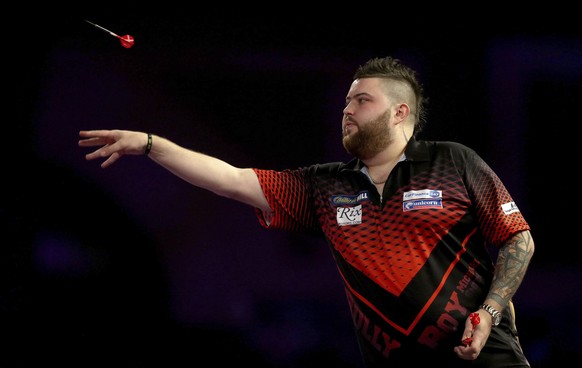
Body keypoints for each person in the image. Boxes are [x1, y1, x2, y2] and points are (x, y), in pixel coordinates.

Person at [78, 56, 535, 367]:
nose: (347, 110)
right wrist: (152, 146)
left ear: (400, 113)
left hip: (487, 358)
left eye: (362, 101)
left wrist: (491, 310)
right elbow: (232, 179)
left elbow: (518, 237)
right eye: (345, 102)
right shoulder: (323, 186)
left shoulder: (453, 161)